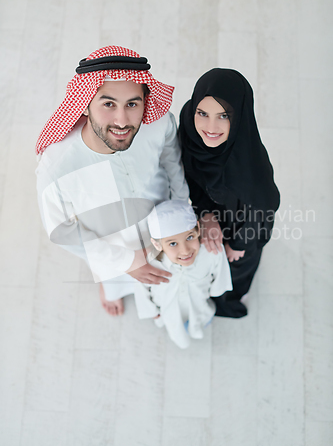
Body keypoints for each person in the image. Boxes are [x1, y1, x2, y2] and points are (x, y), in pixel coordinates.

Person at [36, 45, 189, 316]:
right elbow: (62, 231)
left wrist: (179, 208)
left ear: (145, 102)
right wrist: (127, 261)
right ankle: (113, 287)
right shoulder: (56, 168)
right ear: (85, 104)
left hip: (159, 220)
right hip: (112, 243)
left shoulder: (158, 124)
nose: (122, 120)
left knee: (163, 275)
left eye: (132, 104)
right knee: (118, 278)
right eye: (108, 104)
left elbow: (172, 159)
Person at [178, 68, 280, 318]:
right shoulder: (191, 132)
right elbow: (192, 176)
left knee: (237, 265)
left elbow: (263, 208)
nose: (210, 127)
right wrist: (206, 214)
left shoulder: (248, 162)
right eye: (202, 113)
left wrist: (238, 243)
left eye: (223, 115)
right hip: (212, 208)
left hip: (245, 222)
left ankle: (233, 296)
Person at [134, 200, 232, 349]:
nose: (185, 251)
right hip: (167, 310)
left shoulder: (211, 252)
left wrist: (216, 291)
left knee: (199, 318)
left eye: (189, 237)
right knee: (174, 325)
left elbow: (220, 276)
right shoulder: (149, 264)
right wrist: (152, 312)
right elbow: (141, 289)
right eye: (173, 244)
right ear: (157, 244)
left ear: (198, 229)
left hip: (200, 305)